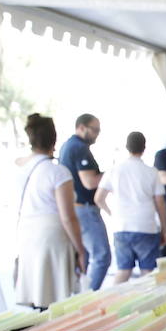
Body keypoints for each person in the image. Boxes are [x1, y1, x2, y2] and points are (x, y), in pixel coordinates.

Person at [13, 114, 87, 308]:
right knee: (55, 299)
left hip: (27, 233)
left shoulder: (20, 168)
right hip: (51, 237)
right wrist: (80, 249)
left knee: (37, 293)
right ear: (53, 139)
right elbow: (68, 217)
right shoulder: (58, 172)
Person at [95, 131, 166, 284]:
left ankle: (112, 303)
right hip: (146, 226)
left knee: (123, 271)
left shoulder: (114, 170)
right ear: (144, 148)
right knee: (148, 272)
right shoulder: (151, 172)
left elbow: (98, 198)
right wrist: (164, 229)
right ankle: (148, 305)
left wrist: (111, 213)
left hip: (122, 226)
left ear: (126, 147)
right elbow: (160, 204)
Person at [60, 113, 111, 290]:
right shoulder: (79, 148)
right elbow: (89, 182)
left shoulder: (68, 146)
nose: (97, 134)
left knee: (87, 258)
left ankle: (84, 294)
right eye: (94, 130)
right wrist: (110, 175)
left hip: (78, 207)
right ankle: (89, 296)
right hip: (85, 208)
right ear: (81, 127)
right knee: (102, 256)